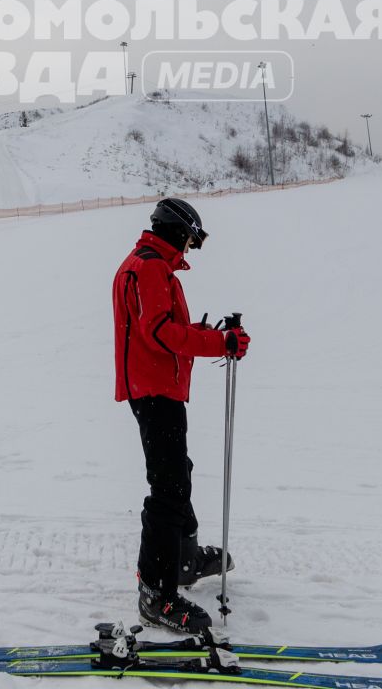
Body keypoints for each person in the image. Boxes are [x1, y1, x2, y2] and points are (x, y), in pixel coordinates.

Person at [112, 197, 249, 633]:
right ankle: (156, 592)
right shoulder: (150, 266)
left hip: (155, 387)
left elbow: (162, 328)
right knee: (168, 487)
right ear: (175, 231)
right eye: (189, 240)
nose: (189, 249)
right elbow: (160, 333)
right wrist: (219, 344)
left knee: (177, 473)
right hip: (154, 390)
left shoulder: (147, 263)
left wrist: (209, 335)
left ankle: (184, 559)